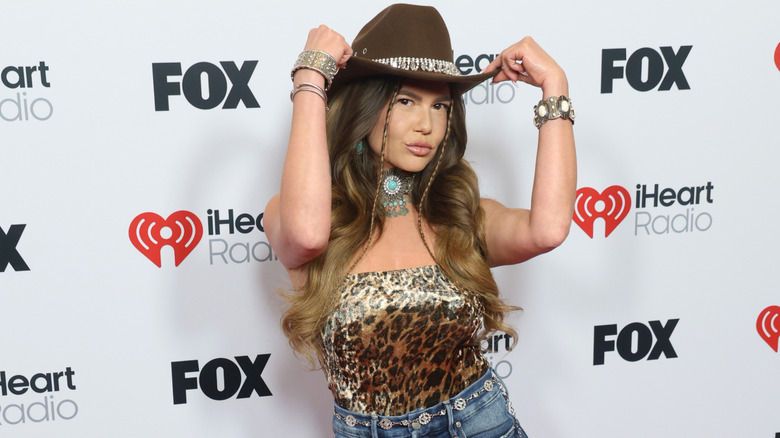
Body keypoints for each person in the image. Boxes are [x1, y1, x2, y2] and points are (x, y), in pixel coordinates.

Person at [264, 4, 576, 437]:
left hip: (481, 422)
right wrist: (309, 77)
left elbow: (548, 230)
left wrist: (553, 86)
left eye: (440, 106)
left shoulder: (459, 213)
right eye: (406, 101)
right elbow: (306, 233)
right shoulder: (304, 213)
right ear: (365, 106)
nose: (426, 124)